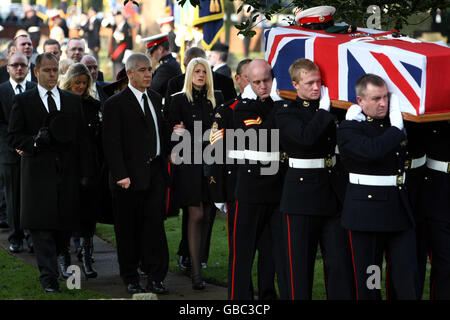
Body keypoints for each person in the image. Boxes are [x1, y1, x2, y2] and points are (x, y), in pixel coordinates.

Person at [7, 53, 92, 293]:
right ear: (36, 72)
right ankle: (48, 277)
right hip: (37, 175)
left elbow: (82, 141)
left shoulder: (71, 101)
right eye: (47, 70)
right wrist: (34, 141)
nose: (52, 74)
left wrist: (86, 172)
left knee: (63, 227)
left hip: (67, 175)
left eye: (55, 70)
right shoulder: (24, 101)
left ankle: (58, 266)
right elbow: (13, 136)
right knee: (41, 228)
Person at [275, 58, 354, 300]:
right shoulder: (286, 112)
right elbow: (305, 138)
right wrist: (323, 111)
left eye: (319, 82)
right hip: (301, 198)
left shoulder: (331, 109)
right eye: (309, 83)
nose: (316, 88)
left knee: (339, 264)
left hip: (332, 193)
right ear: (295, 84)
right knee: (298, 267)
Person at [337, 74, 419, 300]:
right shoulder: (349, 128)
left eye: (385, 97)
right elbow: (372, 150)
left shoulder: (395, 121)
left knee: (406, 277)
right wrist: (396, 128)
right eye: (376, 99)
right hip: (367, 215)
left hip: (398, 209)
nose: (383, 103)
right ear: (360, 101)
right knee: (370, 279)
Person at [102, 53, 169, 295]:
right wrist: (121, 175)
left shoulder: (155, 98)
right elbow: (111, 144)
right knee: (128, 230)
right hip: (127, 179)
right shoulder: (114, 104)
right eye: (142, 70)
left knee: (154, 230)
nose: (148, 74)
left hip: (155, 175)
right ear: (130, 73)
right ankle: (130, 276)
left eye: (149, 69)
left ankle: (156, 277)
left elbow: (158, 133)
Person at [228, 59, 288, 300]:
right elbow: (263, 137)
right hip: (251, 189)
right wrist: (279, 106)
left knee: (272, 251)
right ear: (248, 83)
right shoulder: (243, 107)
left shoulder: (280, 103)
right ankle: (238, 299)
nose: (263, 86)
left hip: (277, 187)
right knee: (242, 252)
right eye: (257, 82)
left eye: (267, 80)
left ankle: (267, 296)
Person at [168, 57, 224, 290]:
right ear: (190, 74)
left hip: (212, 162)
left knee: (208, 213)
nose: (200, 75)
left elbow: (222, 132)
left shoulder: (217, 99)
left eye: (204, 71)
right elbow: (171, 135)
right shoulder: (178, 100)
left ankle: (198, 262)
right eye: (196, 71)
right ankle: (196, 273)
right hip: (188, 164)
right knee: (196, 214)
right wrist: (178, 132)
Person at [59, 62, 105, 279]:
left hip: (89, 166)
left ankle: (87, 256)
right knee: (67, 215)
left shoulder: (93, 106)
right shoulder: (60, 103)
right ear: (70, 81)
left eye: (84, 83)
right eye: (77, 82)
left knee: (88, 216)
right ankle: (65, 257)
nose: (80, 87)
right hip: (67, 166)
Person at [0, 53, 37, 253]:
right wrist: (15, 144)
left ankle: (32, 236)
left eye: (23, 65)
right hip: (8, 153)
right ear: (8, 68)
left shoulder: (34, 89)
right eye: (15, 65)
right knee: (12, 197)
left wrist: (28, 144)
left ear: (29, 67)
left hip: (32, 151)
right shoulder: (1, 91)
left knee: (31, 196)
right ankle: (15, 238)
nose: (19, 68)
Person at [165, 47, 236, 116]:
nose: (187, 70)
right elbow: (168, 115)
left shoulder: (225, 83)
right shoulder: (175, 83)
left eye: (191, 66)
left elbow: (232, 114)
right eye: (185, 66)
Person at [143, 33, 182, 98]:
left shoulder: (166, 67)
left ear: (160, 49)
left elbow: (152, 90)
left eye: (152, 52)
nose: (151, 55)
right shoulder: (169, 63)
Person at [109, 12, 133, 78]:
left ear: (120, 17)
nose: (115, 18)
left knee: (119, 74)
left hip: (122, 55)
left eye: (116, 17)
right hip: (115, 55)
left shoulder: (126, 27)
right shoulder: (115, 26)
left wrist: (127, 54)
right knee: (115, 74)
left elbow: (129, 43)